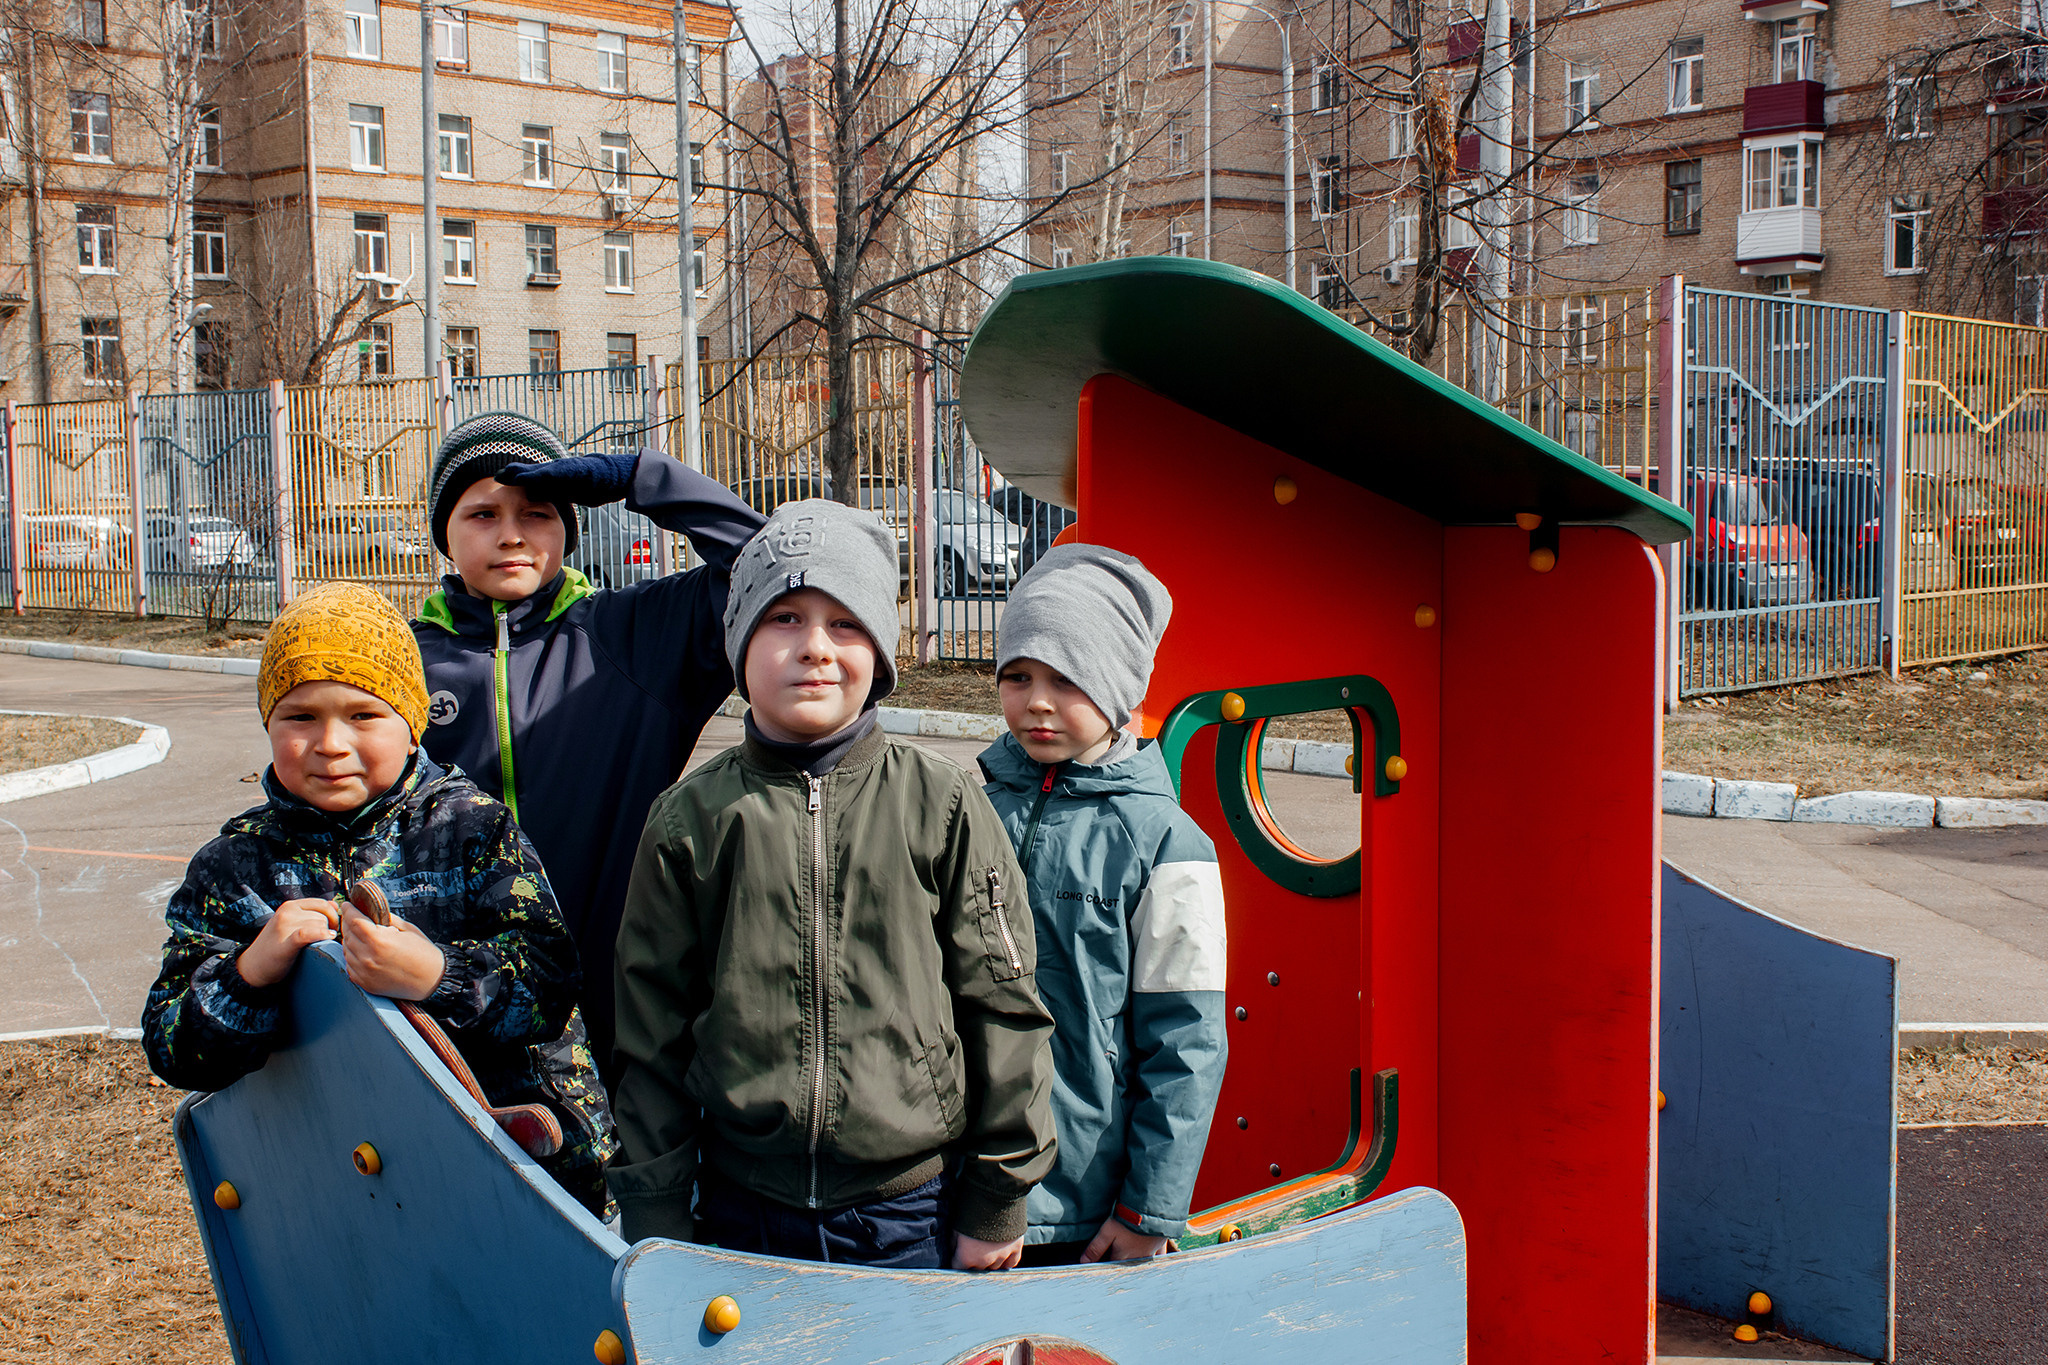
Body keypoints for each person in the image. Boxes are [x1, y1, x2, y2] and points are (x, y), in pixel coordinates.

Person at [608, 500, 1057, 1270]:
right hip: (737, 1210)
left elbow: (1005, 1006)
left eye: (845, 622)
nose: (814, 647)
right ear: (739, 644)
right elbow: (650, 1035)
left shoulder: (942, 803)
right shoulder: (690, 819)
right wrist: (655, 1206)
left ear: (880, 653)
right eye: (783, 617)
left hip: (908, 1212)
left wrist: (997, 1193)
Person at [139, 583, 615, 1213]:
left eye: (364, 715)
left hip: (518, 1169)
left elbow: (552, 984)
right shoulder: (234, 869)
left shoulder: (472, 830)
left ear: (411, 724)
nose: (331, 744)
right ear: (268, 724)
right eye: (300, 716)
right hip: (343, 1184)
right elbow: (174, 1046)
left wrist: (438, 976)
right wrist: (249, 972)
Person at [411, 411, 763, 1081]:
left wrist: (639, 477)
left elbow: (769, 563)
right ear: (444, 532)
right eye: (482, 514)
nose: (512, 534)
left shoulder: (632, 640)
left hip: (618, 1006)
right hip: (452, 1010)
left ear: (570, 528)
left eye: (538, 512)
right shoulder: (402, 661)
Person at [977, 544, 1229, 1266]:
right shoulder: (974, 809)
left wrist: (1150, 1206)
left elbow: (1187, 1037)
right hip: (971, 1188)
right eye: (1018, 676)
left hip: (1085, 1202)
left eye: (1068, 677)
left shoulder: (1166, 843)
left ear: (1120, 690)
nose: (1038, 700)